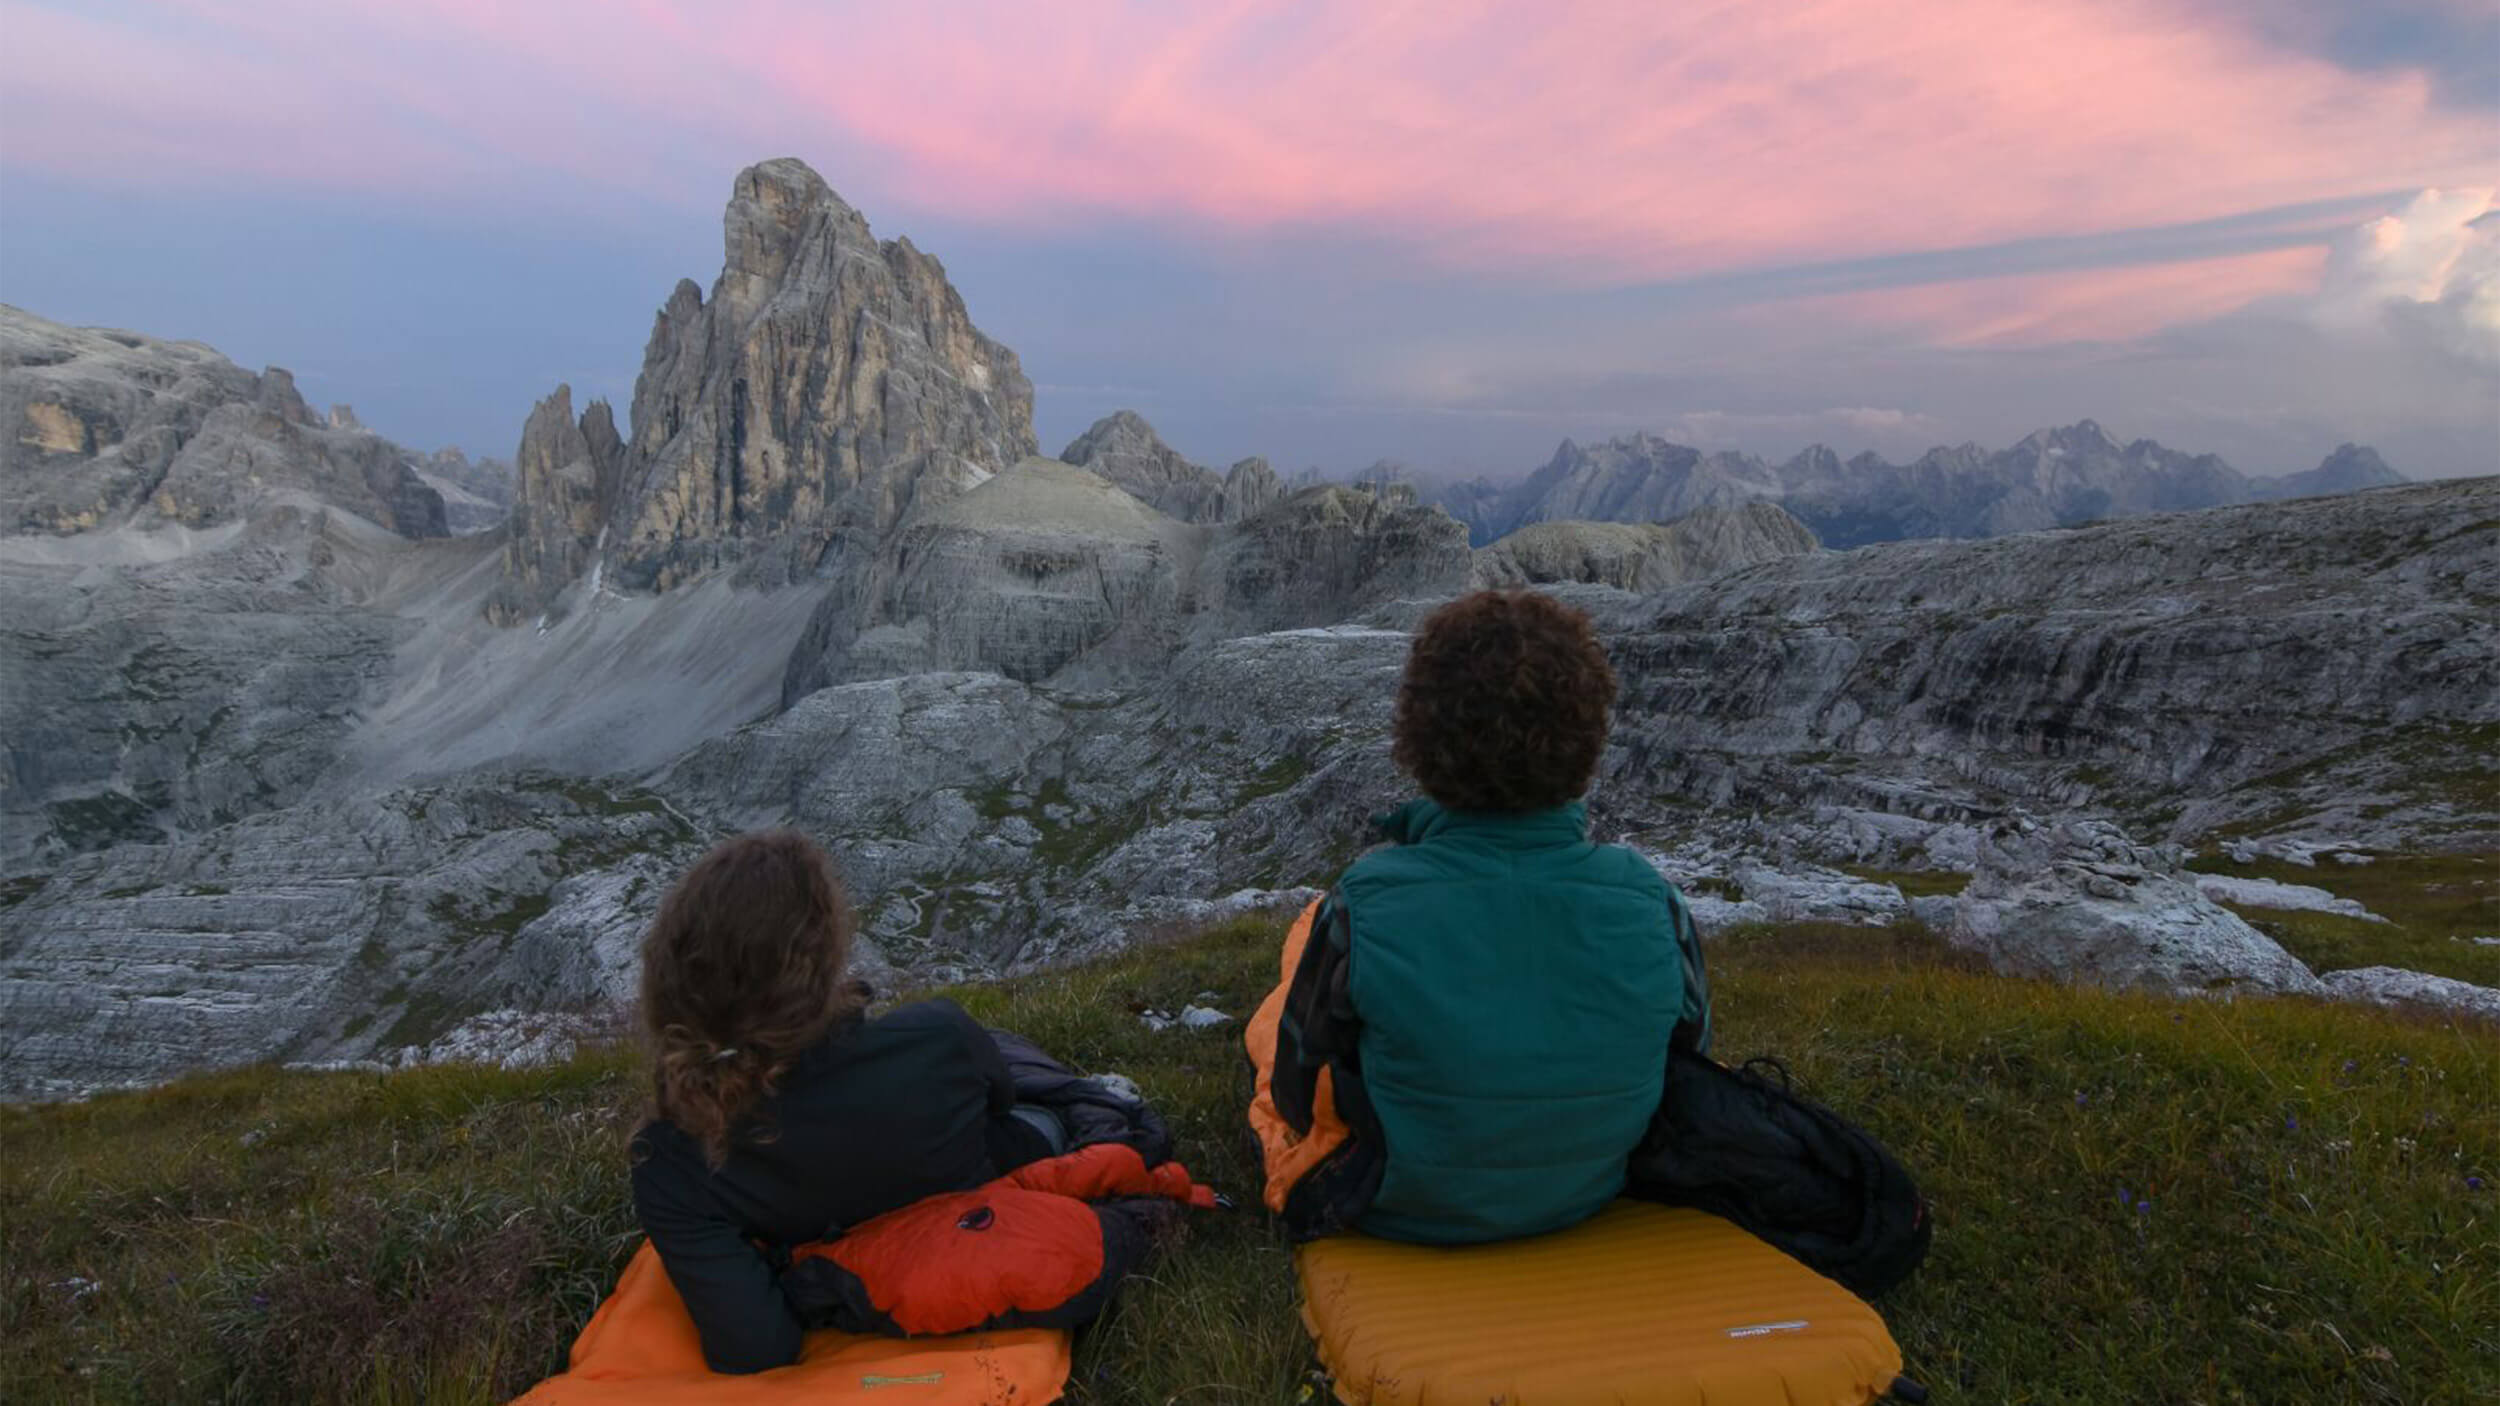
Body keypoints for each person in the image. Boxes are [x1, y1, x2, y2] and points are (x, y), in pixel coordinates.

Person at [1247, 589, 1709, 1245]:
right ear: (1586, 740)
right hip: (1589, 1192)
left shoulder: (1368, 899)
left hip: (1395, 1202)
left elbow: (1296, 1098)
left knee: (1290, 1003)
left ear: (1422, 738)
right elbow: (1688, 1069)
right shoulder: (1651, 900)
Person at [629, 829, 1065, 1373]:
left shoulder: (671, 1158)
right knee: (1040, 1118)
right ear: (824, 955)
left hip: (835, 1266)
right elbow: (1001, 1105)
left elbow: (757, 1348)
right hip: (976, 1219)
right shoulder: (937, 1034)